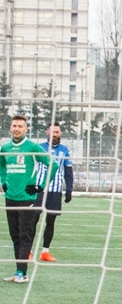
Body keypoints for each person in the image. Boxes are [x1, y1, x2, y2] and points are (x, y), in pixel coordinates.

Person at [1, 115, 55, 283]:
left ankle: (21, 273)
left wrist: (41, 186)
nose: (17, 128)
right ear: (10, 128)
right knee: (15, 236)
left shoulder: (32, 147)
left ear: (26, 129)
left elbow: (53, 163)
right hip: (10, 198)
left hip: (27, 199)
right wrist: (3, 181)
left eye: (20, 126)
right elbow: (1, 164)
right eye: (14, 125)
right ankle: (19, 271)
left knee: (25, 236)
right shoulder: (6, 148)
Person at [39, 123, 72, 262]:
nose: (55, 134)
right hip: (39, 189)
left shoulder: (64, 150)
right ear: (47, 132)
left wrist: (69, 189)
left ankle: (45, 252)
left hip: (55, 191)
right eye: (52, 132)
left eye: (57, 132)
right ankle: (26, 251)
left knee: (51, 221)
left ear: (60, 134)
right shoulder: (39, 148)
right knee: (31, 221)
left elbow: (68, 171)